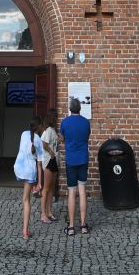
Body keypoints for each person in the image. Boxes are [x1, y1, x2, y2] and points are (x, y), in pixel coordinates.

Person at [59, 97, 91, 236]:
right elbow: (87, 137)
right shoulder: (86, 122)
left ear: (70, 108)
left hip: (71, 160)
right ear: (80, 108)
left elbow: (62, 138)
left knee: (71, 192)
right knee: (82, 190)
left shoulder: (65, 122)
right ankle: (83, 226)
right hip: (83, 158)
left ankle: (71, 227)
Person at [13, 115, 44, 239]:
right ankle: (25, 231)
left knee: (27, 182)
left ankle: (33, 187)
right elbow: (39, 164)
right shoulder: (38, 140)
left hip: (18, 168)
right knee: (26, 200)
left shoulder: (23, 134)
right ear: (39, 126)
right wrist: (40, 183)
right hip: (30, 171)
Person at [40, 109, 59, 223]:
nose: (57, 118)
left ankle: (49, 212)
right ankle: (43, 214)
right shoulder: (47, 131)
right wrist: (51, 153)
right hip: (49, 162)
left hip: (54, 161)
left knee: (52, 188)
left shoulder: (53, 130)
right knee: (46, 188)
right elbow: (44, 144)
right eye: (56, 116)